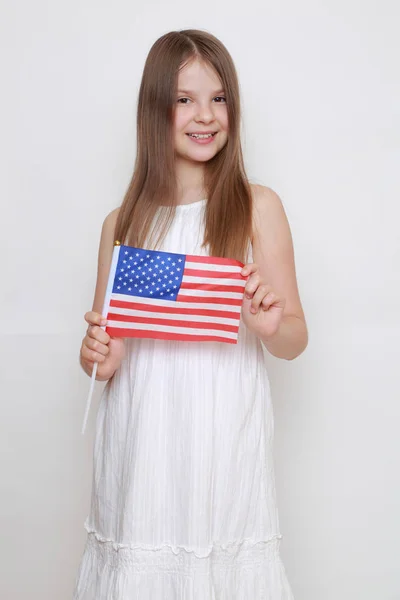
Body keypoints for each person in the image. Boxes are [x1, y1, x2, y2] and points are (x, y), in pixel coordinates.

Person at [73, 28, 308, 600]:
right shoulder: (122, 224)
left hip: (221, 439)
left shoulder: (257, 207)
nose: (205, 115)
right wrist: (98, 356)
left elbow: (295, 337)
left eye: (219, 97)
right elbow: (105, 355)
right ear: (155, 109)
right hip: (143, 443)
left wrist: (270, 326)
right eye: (184, 99)